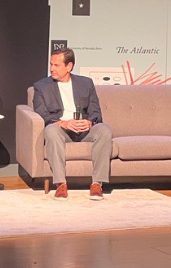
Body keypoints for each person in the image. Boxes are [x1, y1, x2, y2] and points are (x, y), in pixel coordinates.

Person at [32, 48, 113, 201]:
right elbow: (42, 113)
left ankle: (97, 184)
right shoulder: (41, 86)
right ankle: (61, 184)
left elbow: (96, 112)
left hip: (84, 130)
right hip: (62, 130)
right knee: (51, 130)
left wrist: (89, 123)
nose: (51, 69)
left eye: (56, 65)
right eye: (51, 64)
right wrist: (62, 123)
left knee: (105, 130)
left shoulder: (86, 83)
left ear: (69, 67)